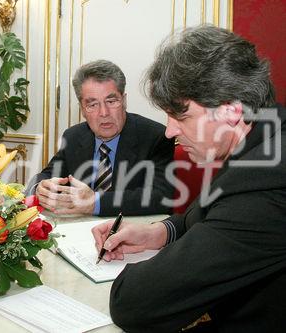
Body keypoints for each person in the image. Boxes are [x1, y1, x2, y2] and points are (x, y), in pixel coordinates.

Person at [92, 26, 286, 332]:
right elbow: (208, 215)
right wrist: (158, 232)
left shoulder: (265, 183)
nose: (169, 131)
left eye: (181, 117)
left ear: (231, 112)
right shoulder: (264, 136)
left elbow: (134, 303)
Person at [27, 60, 174, 216]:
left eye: (111, 101)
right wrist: (39, 187)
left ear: (124, 101)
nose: (104, 112)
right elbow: (48, 174)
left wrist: (94, 202)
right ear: (82, 109)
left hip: (128, 231)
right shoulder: (73, 137)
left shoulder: (155, 137)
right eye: (92, 104)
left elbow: (160, 198)